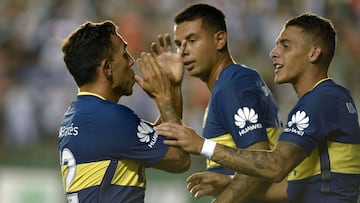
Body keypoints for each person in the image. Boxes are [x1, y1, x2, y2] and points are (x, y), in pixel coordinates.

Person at [155, 13, 360, 203]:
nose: (274, 53)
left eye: (286, 46)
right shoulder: (329, 98)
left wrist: (202, 145)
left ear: (313, 53)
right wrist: (229, 182)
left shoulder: (320, 100)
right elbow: (294, 186)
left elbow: (275, 166)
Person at [152, 3, 284, 202]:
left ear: (220, 39)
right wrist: (173, 87)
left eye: (192, 40)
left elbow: (259, 159)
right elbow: (169, 147)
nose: (183, 52)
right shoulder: (229, 83)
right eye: (179, 44)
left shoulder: (232, 85)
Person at [58, 20, 190, 203]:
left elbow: (163, 138)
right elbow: (179, 159)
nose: (131, 61)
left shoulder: (79, 115)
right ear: (107, 68)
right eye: (124, 54)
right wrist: (164, 97)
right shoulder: (110, 118)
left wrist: (172, 87)